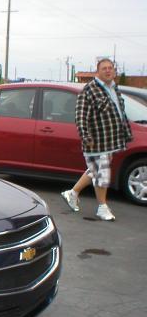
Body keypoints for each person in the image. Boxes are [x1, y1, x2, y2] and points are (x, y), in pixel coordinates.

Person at [61, 58, 133, 221]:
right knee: (102, 172)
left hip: (111, 140)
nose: (108, 71)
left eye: (110, 68)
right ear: (97, 72)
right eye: (104, 68)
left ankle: (72, 193)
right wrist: (86, 137)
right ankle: (102, 207)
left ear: (114, 71)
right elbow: (80, 117)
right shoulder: (90, 90)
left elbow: (120, 112)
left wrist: (125, 133)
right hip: (96, 140)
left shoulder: (114, 88)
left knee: (95, 170)